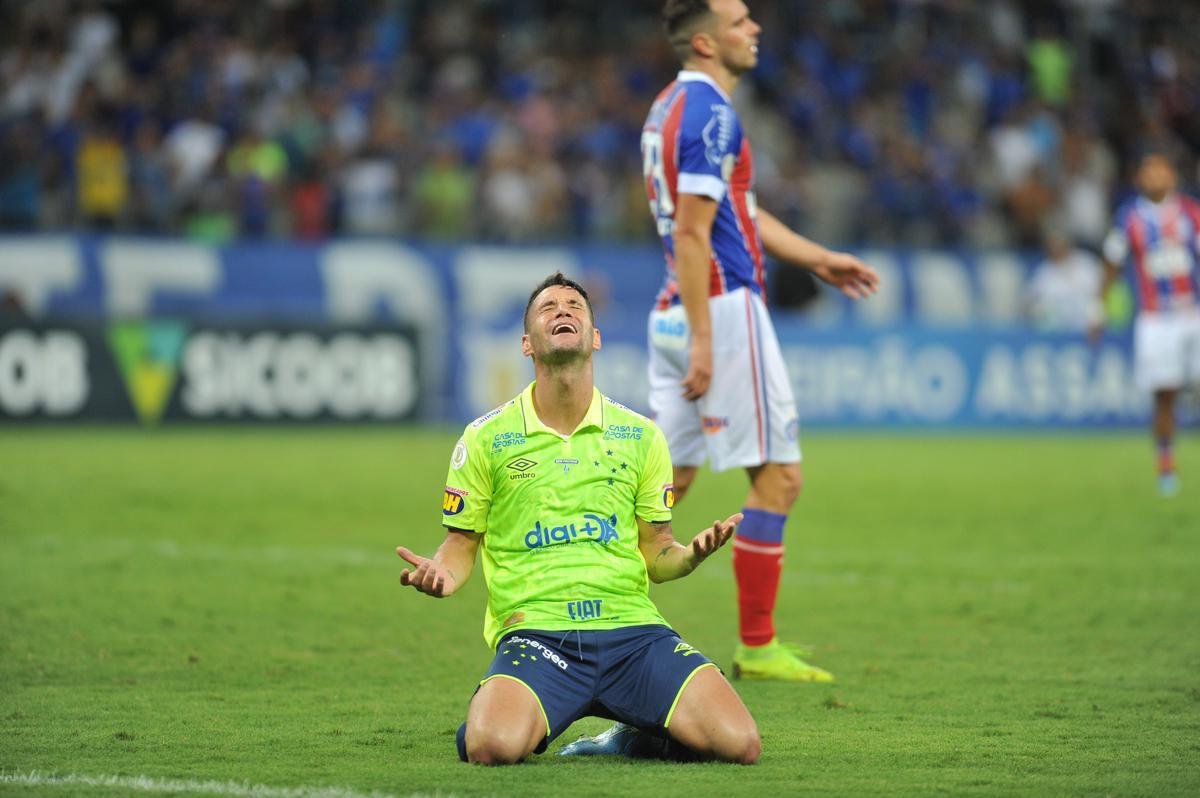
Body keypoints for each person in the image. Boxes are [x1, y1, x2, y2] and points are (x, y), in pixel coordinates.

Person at [396, 272, 761, 765]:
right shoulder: (485, 438)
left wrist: (689, 557)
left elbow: (657, 553)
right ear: (527, 343)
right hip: (539, 635)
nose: (562, 311)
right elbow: (460, 546)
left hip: (632, 633)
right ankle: (507, 708)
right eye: (548, 308)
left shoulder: (641, 436)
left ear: (595, 337)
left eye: (574, 306)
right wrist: (441, 573)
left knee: (740, 744)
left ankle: (633, 735)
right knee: (491, 746)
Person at [639, 0, 879, 683]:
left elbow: (734, 210)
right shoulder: (712, 113)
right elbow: (693, 232)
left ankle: (570, 594)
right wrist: (706, 340)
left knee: (668, 484)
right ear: (706, 42)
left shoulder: (667, 108)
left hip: (676, 308)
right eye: (740, 21)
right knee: (778, 478)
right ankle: (758, 645)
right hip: (717, 312)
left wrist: (817, 258)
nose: (755, 29)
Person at [1098, 152, 1200, 497]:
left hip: (1193, 314)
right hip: (1156, 320)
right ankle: (1166, 468)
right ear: (1139, 179)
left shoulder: (1191, 214)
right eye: (1149, 171)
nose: (1155, 177)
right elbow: (1112, 263)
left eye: (1161, 170)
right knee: (1164, 395)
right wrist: (1098, 309)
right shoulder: (1129, 218)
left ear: (1173, 176)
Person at [1025, 229, 1105, 333]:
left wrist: (1096, 316)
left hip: (1088, 330)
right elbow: (1029, 303)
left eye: (1059, 244)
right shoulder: (1044, 272)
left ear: (1067, 244)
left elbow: (1102, 292)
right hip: (1056, 332)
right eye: (1052, 245)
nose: (1056, 249)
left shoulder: (1087, 264)